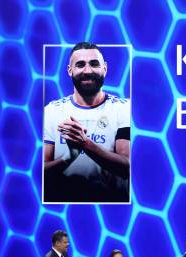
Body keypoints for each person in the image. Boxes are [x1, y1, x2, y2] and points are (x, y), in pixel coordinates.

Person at [43, 41, 130, 203]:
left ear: (105, 68)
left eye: (94, 64)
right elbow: (40, 171)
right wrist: (68, 157)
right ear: (70, 70)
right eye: (80, 65)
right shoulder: (51, 111)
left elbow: (128, 166)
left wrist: (86, 145)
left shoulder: (124, 109)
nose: (88, 71)